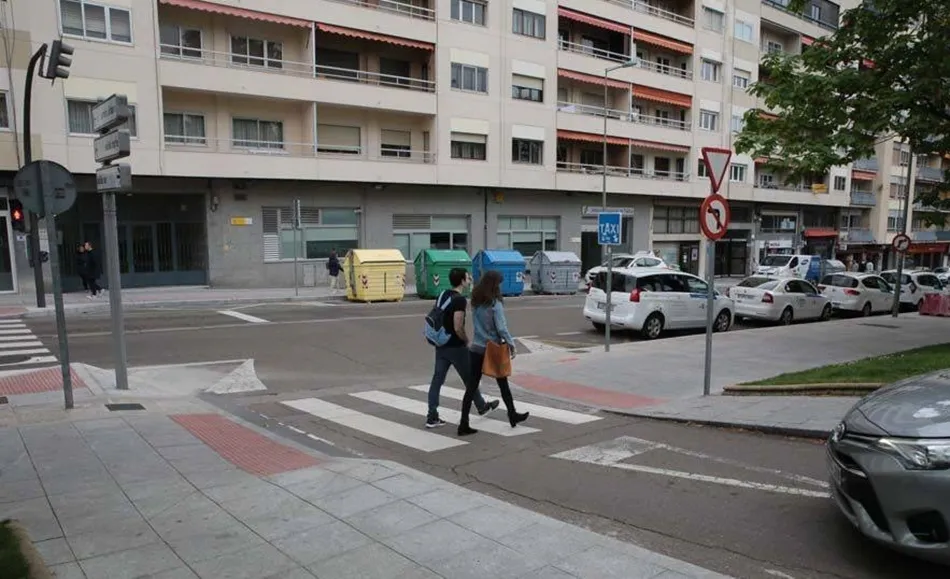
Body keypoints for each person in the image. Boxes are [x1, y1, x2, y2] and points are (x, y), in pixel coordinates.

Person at [425, 267, 498, 429]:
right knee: (470, 379)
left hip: (441, 344)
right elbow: (458, 326)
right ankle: (481, 407)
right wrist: (466, 341)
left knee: (437, 380)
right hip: (456, 347)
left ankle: (432, 415)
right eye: (468, 277)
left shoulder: (443, 294)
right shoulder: (460, 300)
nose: (470, 279)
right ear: (462, 281)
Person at [458, 270, 529, 436]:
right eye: (499, 284)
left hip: (476, 347)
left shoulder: (475, 301)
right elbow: (502, 327)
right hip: (492, 348)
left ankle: (463, 423)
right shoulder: (494, 303)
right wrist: (511, 344)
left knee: (471, 387)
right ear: (495, 285)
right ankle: (512, 415)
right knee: (503, 383)